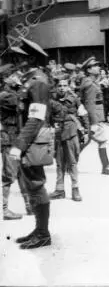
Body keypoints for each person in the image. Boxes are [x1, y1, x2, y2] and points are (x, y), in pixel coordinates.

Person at [8, 63, 53, 249]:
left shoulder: (38, 82)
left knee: (36, 185)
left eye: (18, 60)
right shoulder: (30, 81)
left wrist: (19, 145)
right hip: (28, 140)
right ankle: (39, 229)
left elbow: (35, 118)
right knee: (31, 186)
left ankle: (43, 234)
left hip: (33, 141)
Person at [49, 77, 89, 201]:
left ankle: (75, 189)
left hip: (71, 132)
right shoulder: (51, 100)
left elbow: (83, 114)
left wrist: (86, 130)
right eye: (60, 85)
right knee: (59, 163)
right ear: (56, 87)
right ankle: (59, 189)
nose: (62, 88)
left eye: (64, 85)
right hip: (57, 134)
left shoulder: (75, 99)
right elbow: (48, 116)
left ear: (68, 87)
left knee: (72, 162)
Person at [1, 64, 31, 219]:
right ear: (6, 78)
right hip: (9, 139)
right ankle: (5, 210)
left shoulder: (12, 92)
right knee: (9, 173)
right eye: (14, 75)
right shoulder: (5, 95)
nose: (18, 77)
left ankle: (28, 205)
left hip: (17, 138)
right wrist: (24, 87)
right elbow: (21, 103)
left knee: (22, 172)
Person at [79, 57, 109, 175]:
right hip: (93, 117)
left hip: (94, 116)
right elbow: (90, 105)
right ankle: (106, 167)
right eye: (95, 66)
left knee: (85, 141)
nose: (98, 67)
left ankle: (68, 163)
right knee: (100, 141)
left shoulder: (91, 81)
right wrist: (94, 123)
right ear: (89, 70)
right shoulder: (90, 84)